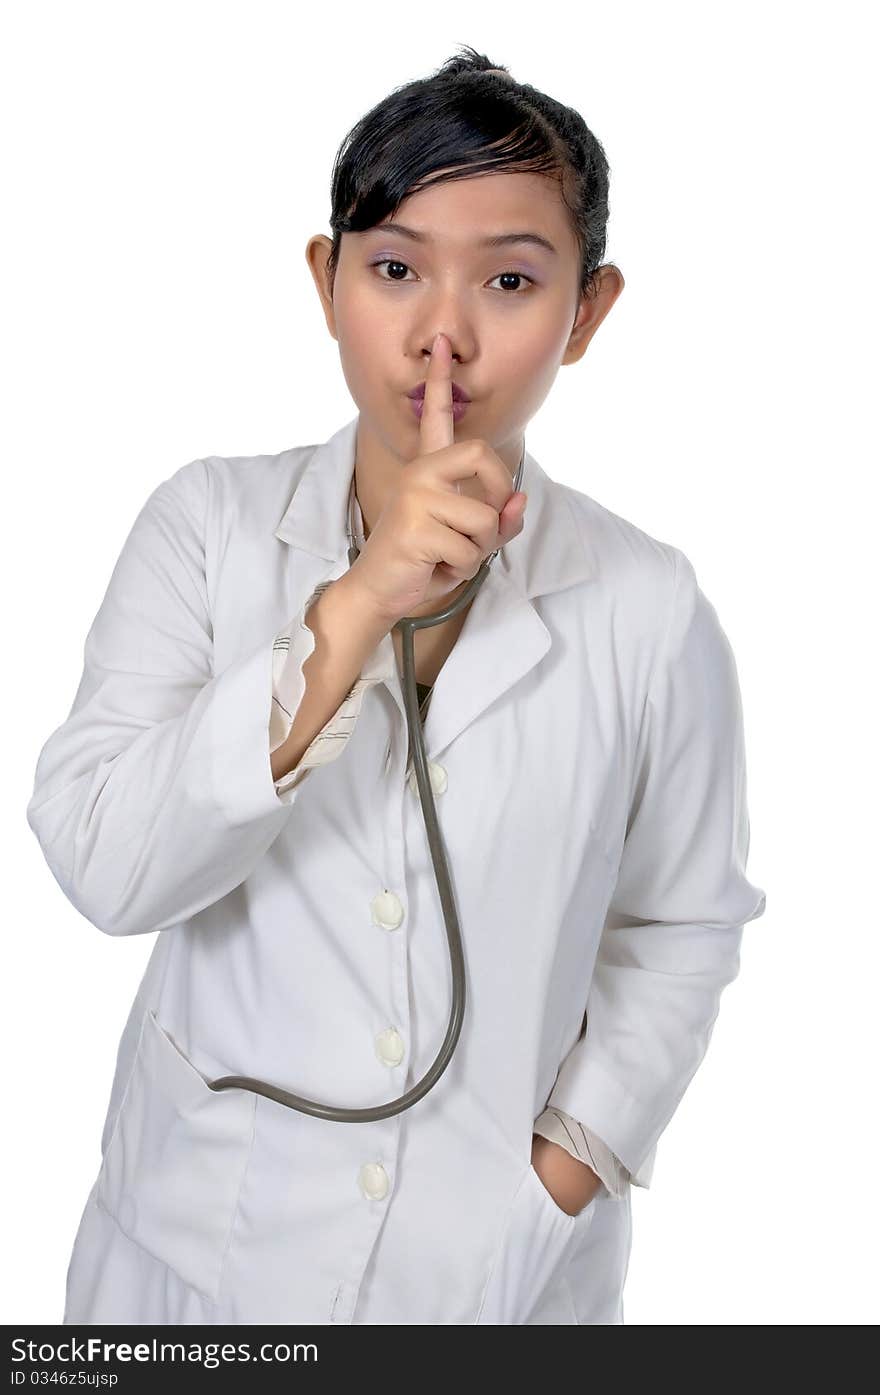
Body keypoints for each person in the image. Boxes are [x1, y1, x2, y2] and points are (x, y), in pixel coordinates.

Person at [26, 45, 766, 1325]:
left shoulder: (649, 607)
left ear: (586, 315)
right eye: (393, 268)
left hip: (488, 1278)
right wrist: (355, 610)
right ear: (325, 284)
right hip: (201, 1268)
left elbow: (681, 929)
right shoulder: (203, 527)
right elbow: (104, 866)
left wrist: (566, 1167)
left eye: (512, 280)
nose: (444, 334)